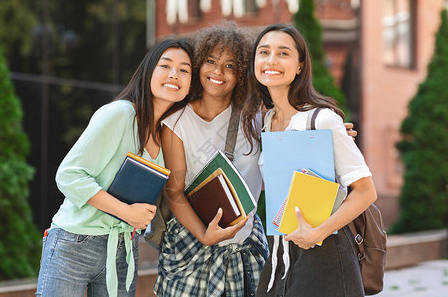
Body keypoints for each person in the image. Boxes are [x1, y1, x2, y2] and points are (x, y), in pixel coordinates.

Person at [35, 38, 194, 297]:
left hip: (124, 248)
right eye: (165, 66)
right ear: (148, 72)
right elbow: (69, 175)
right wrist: (126, 212)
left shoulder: (169, 133)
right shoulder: (120, 114)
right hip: (75, 243)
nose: (174, 75)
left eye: (184, 70)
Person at [242, 24, 377, 296]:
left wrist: (318, 233)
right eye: (264, 52)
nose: (271, 61)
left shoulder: (322, 119)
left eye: (283, 53)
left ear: (300, 65)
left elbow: (365, 191)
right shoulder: (266, 122)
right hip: (280, 253)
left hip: (325, 253)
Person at [155, 21, 269, 297]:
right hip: (191, 248)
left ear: (241, 73)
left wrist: (338, 132)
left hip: (246, 250)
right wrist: (205, 235)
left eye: (230, 66)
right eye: (211, 61)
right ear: (198, 66)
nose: (218, 72)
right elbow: (175, 192)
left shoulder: (258, 119)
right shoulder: (176, 123)